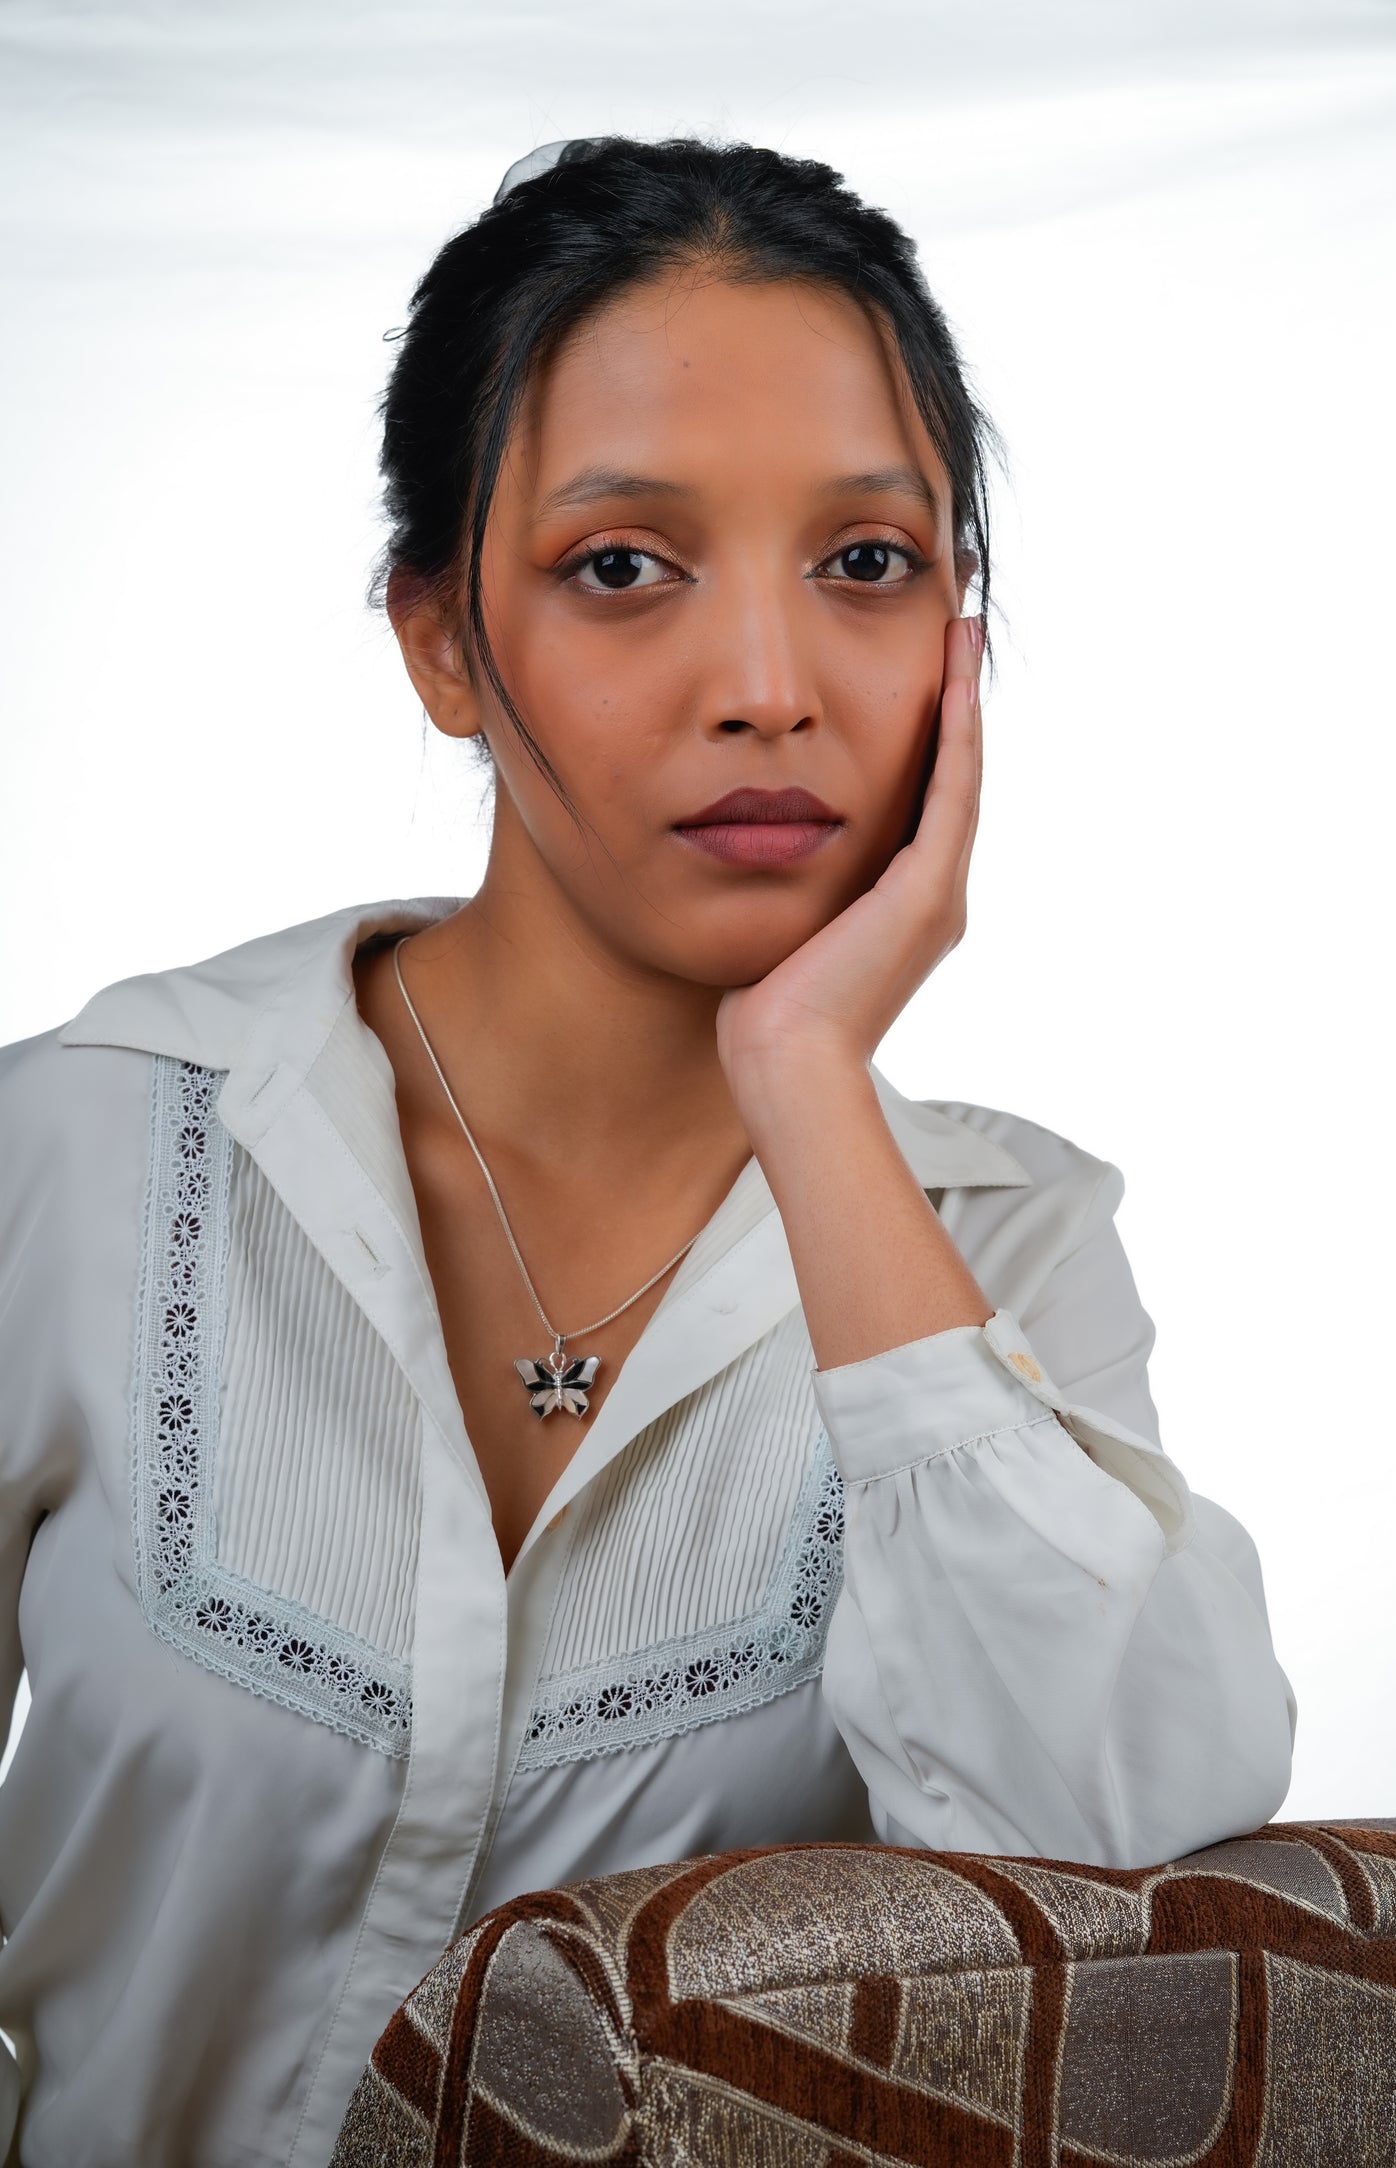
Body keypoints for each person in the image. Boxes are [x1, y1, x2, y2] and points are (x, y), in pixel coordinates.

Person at [0, 137, 1295, 2168]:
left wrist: (804, 1074)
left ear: (960, 635)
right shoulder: (81, 1153)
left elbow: (1126, 1947)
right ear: (442, 638)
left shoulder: (1002, 1254)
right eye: (624, 567)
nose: (769, 692)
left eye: (865, 564)